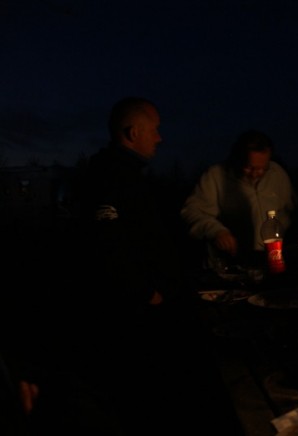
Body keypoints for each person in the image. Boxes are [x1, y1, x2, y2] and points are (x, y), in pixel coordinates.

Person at [70, 97, 243, 435]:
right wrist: (146, 293)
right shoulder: (109, 177)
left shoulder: (129, 174)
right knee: (147, 396)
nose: (160, 138)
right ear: (133, 133)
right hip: (137, 314)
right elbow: (107, 245)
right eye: (155, 130)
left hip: (151, 304)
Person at [181, 129, 296, 271]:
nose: (255, 174)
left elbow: (289, 211)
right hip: (230, 263)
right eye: (249, 168)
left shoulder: (277, 174)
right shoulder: (215, 176)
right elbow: (191, 212)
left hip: (269, 261)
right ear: (237, 158)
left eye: (262, 168)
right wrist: (216, 231)